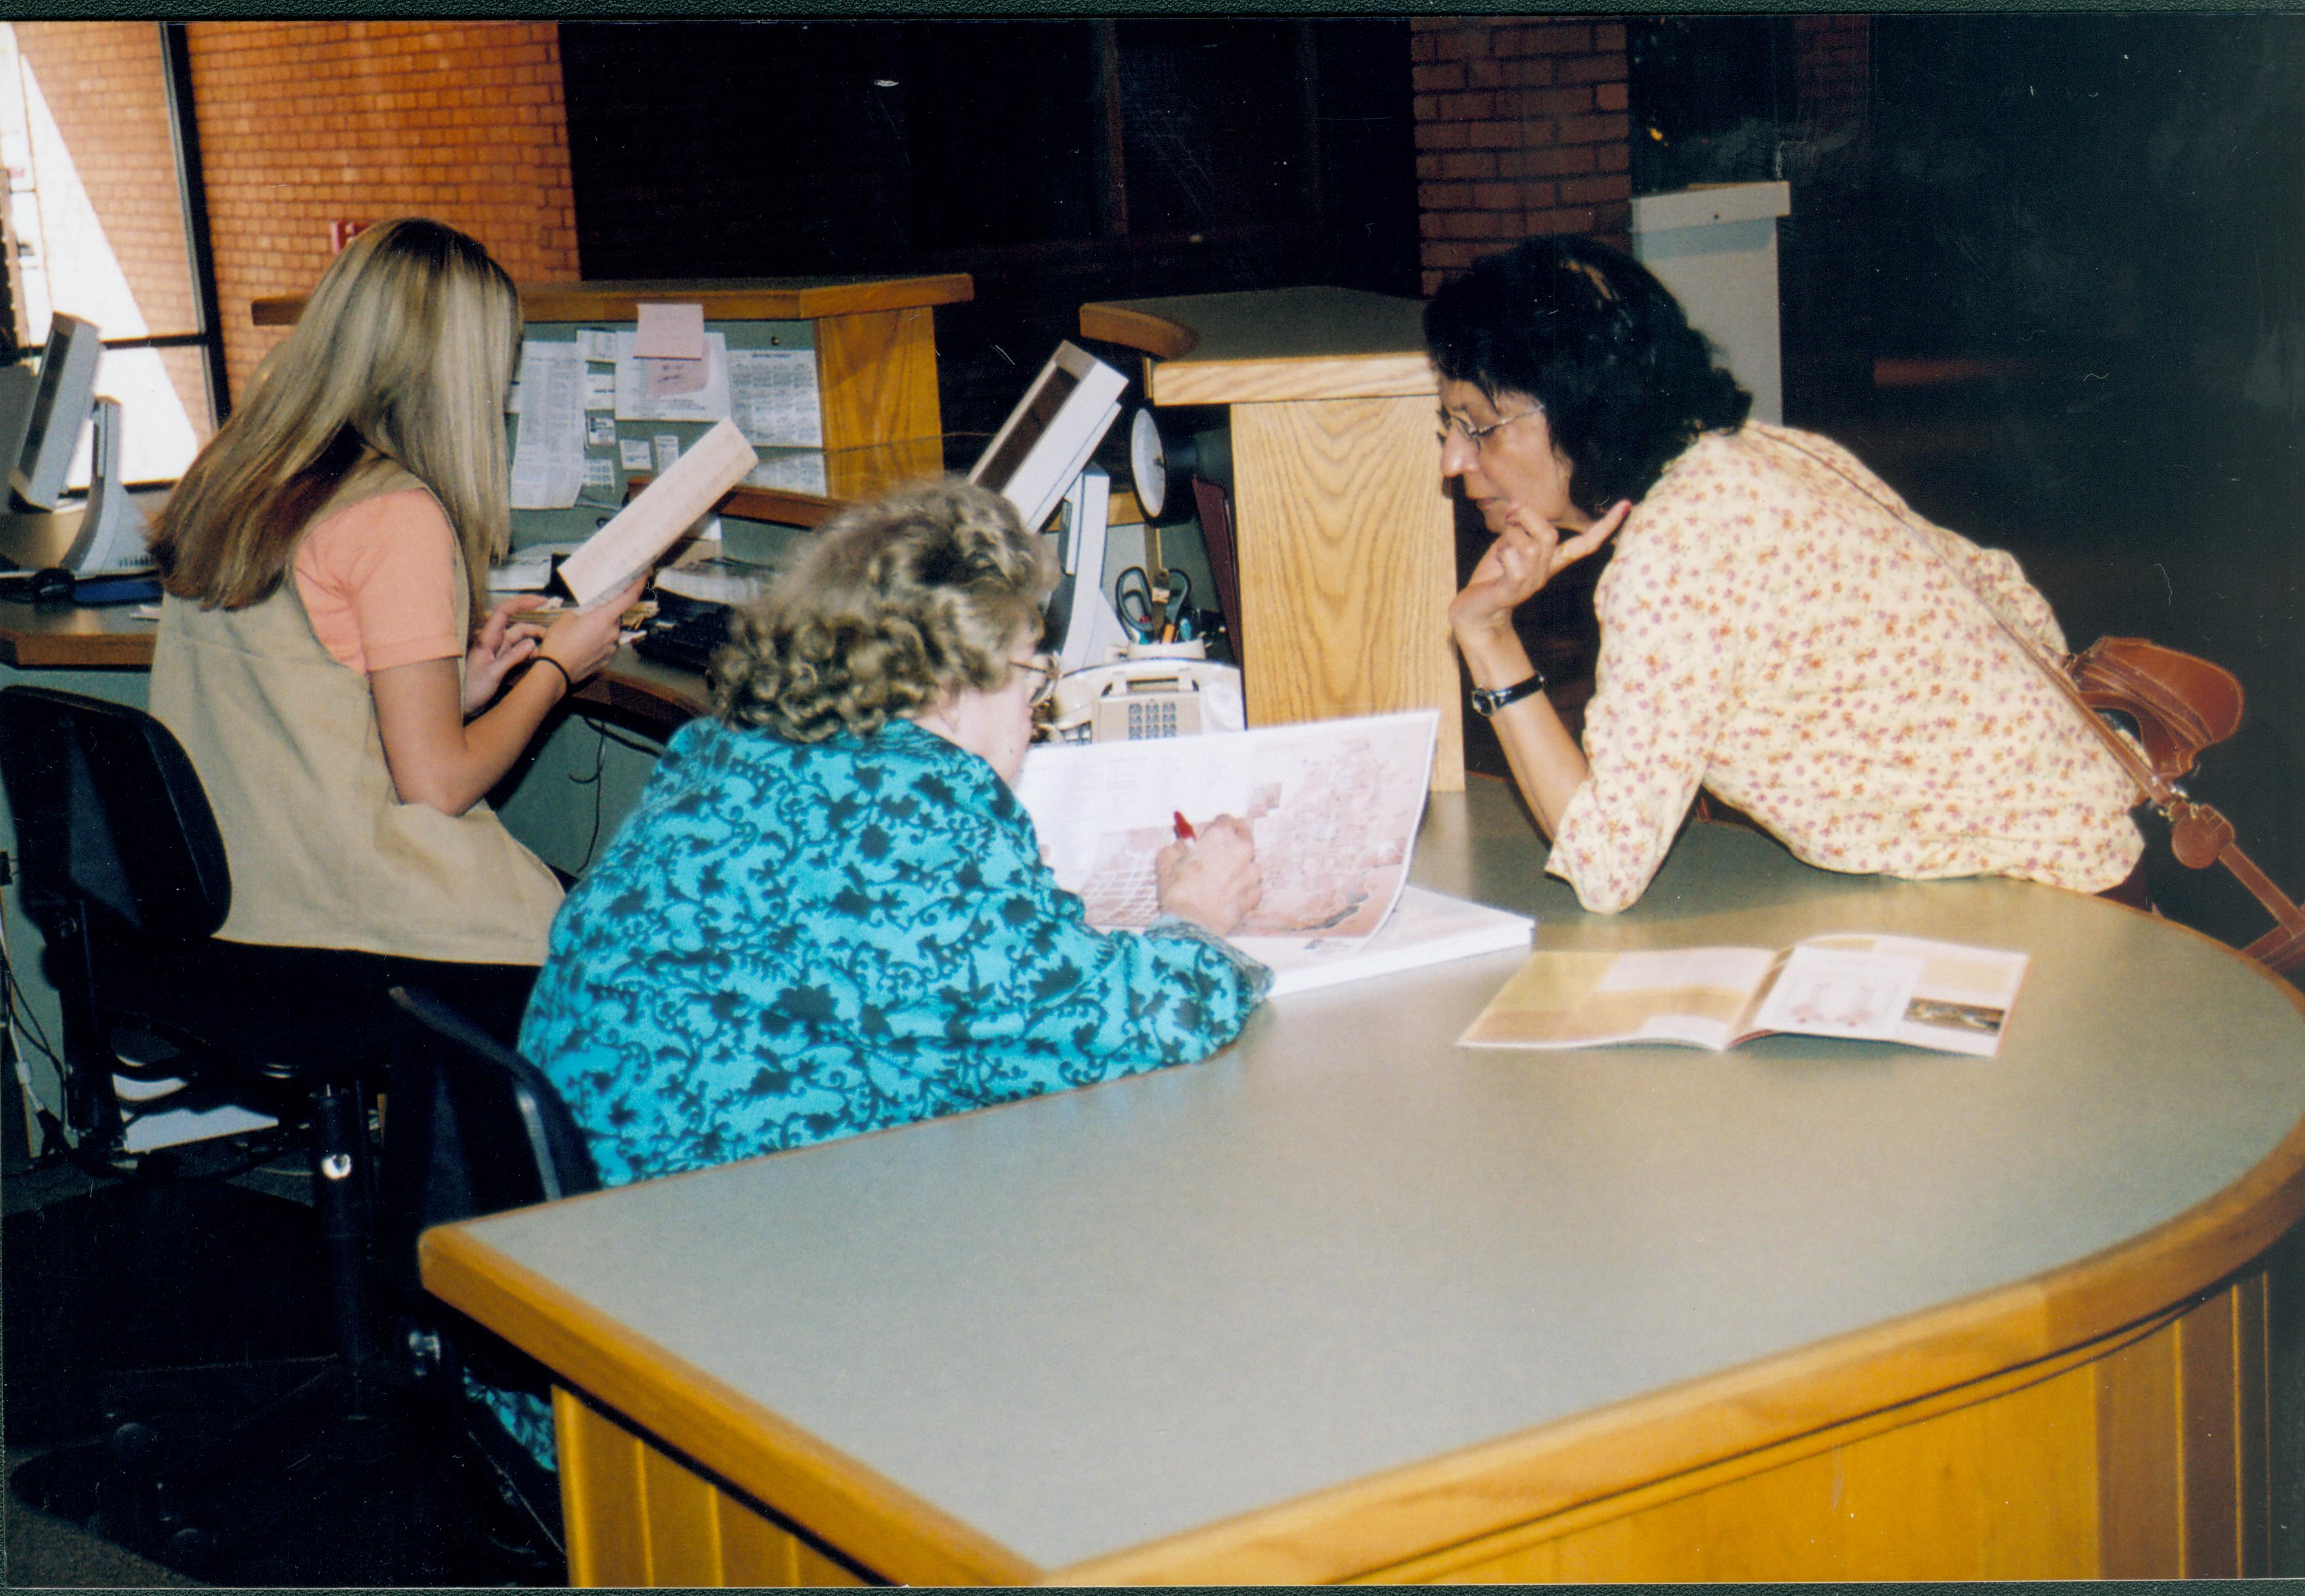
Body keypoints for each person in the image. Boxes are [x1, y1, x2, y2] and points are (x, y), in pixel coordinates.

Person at [517, 475, 1272, 1193]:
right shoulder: (907, 819)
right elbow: (1145, 1023)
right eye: (1030, 682)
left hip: (609, 1195)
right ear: (948, 689)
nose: (1031, 719)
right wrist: (1198, 913)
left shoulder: (725, 754)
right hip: (710, 1241)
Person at [1425, 236, 2143, 914]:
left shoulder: (1677, 550)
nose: (1453, 462)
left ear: (1580, 407)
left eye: (1477, 425)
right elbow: (2005, 593)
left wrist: (1488, 636)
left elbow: (1605, 866)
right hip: (2091, 844)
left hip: (2037, 904)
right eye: (1447, 428)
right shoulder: (1757, 454)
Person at [146, 218, 641, 1033]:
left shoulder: (238, 473)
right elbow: (437, 786)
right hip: (334, 918)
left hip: (234, 894)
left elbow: (307, 693)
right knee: (610, 942)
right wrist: (556, 669)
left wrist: (460, 690)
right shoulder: (396, 513)